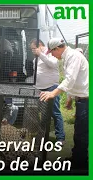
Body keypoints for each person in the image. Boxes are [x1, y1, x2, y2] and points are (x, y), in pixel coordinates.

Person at [39, 38, 89, 169]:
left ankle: (81, 164)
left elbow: (70, 79)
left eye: (52, 52)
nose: (52, 55)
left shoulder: (73, 56)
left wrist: (53, 93)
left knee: (81, 133)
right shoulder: (68, 57)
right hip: (80, 99)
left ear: (57, 48)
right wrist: (70, 98)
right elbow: (76, 80)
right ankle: (77, 158)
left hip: (86, 100)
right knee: (79, 132)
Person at [30, 38, 66, 145]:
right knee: (44, 114)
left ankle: (60, 138)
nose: (32, 50)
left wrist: (41, 54)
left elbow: (53, 64)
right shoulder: (36, 57)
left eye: (34, 48)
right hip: (40, 89)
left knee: (55, 113)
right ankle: (41, 135)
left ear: (40, 45)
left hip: (51, 88)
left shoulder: (50, 53)